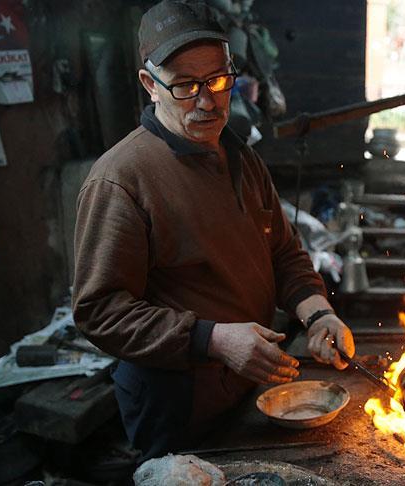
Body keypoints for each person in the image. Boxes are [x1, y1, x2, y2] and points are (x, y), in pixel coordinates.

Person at [72, 0, 354, 461]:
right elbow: (101, 312)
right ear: (150, 84)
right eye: (185, 85)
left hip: (248, 384)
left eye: (219, 80)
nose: (207, 101)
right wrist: (214, 339)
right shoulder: (121, 180)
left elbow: (283, 251)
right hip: (177, 401)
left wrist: (318, 313)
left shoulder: (239, 154)